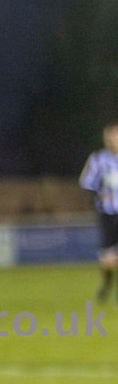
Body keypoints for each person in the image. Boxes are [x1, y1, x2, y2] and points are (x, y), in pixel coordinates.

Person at [79, 121, 118, 301]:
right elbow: (87, 183)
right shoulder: (99, 159)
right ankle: (106, 285)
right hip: (108, 213)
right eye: (112, 136)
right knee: (108, 258)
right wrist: (99, 194)